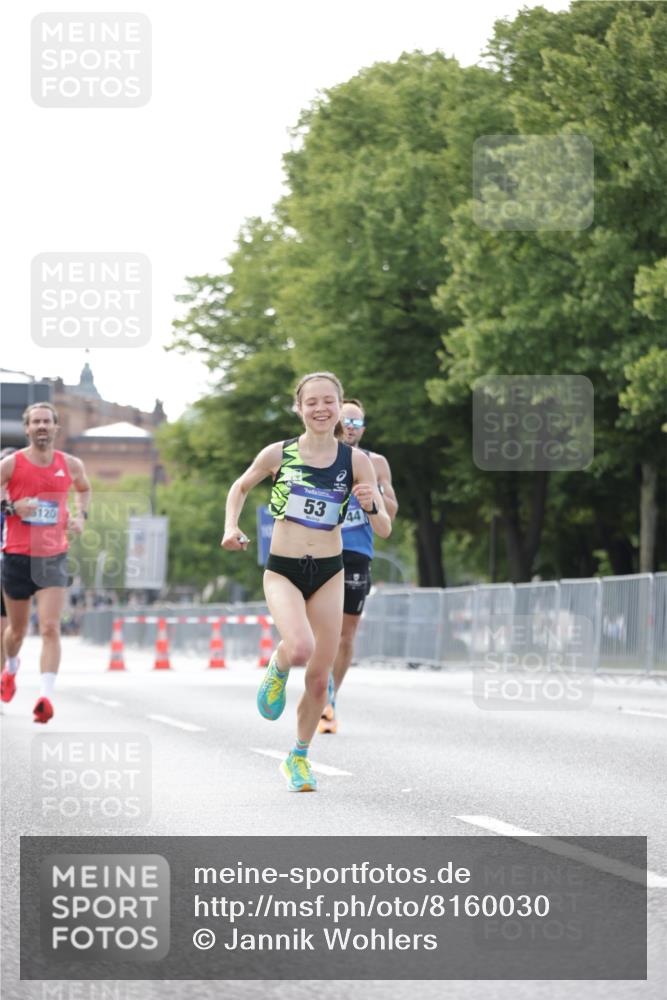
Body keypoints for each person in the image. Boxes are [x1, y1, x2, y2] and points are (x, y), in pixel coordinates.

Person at [221, 372, 391, 792]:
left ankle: (298, 757)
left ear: (339, 407)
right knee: (299, 648)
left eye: (328, 401)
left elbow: (384, 528)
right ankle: (278, 665)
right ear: (299, 408)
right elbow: (240, 487)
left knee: (319, 679)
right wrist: (231, 527)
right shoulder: (279, 454)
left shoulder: (356, 462)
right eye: (311, 402)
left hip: (330, 572)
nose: (321, 409)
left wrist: (373, 506)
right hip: (284, 570)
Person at [1, 403, 91, 723]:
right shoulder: (11, 464)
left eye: (47, 421)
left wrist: (81, 517)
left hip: (53, 555)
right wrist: (13, 507)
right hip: (16, 555)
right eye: (36, 422)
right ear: (27, 428)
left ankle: (45, 698)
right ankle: (11, 667)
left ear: (55, 427)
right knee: (16, 632)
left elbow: (84, 489)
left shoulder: (71, 464)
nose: (41, 426)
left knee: (51, 627)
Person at [319, 399, 398, 733]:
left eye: (356, 422)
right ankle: (316, 687)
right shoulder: (319, 456)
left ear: (363, 428)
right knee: (320, 630)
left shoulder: (375, 462)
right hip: (321, 550)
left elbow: (391, 511)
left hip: (356, 552)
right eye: (346, 420)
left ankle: (329, 699)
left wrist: (373, 492)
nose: (350, 427)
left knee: (346, 633)